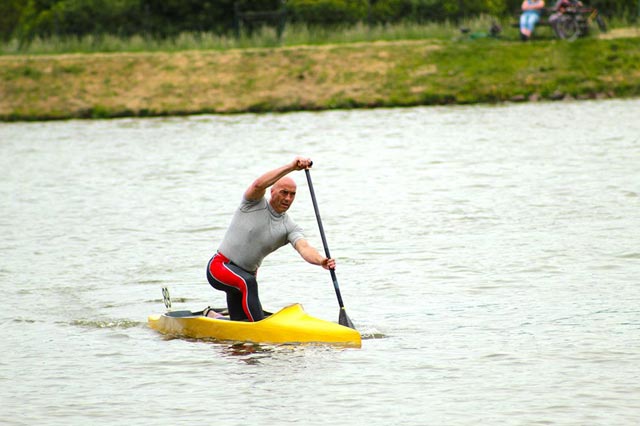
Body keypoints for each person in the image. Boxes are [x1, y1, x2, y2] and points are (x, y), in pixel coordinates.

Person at [205, 157, 336, 322]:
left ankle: (213, 317)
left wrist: (322, 260)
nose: (288, 198)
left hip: (244, 279)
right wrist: (291, 167)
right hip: (219, 268)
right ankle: (261, 331)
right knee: (249, 284)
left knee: (239, 325)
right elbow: (259, 184)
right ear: (272, 191)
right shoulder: (252, 203)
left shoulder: (289, 226)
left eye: (292, 194)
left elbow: (305, 248)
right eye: (284, 192)